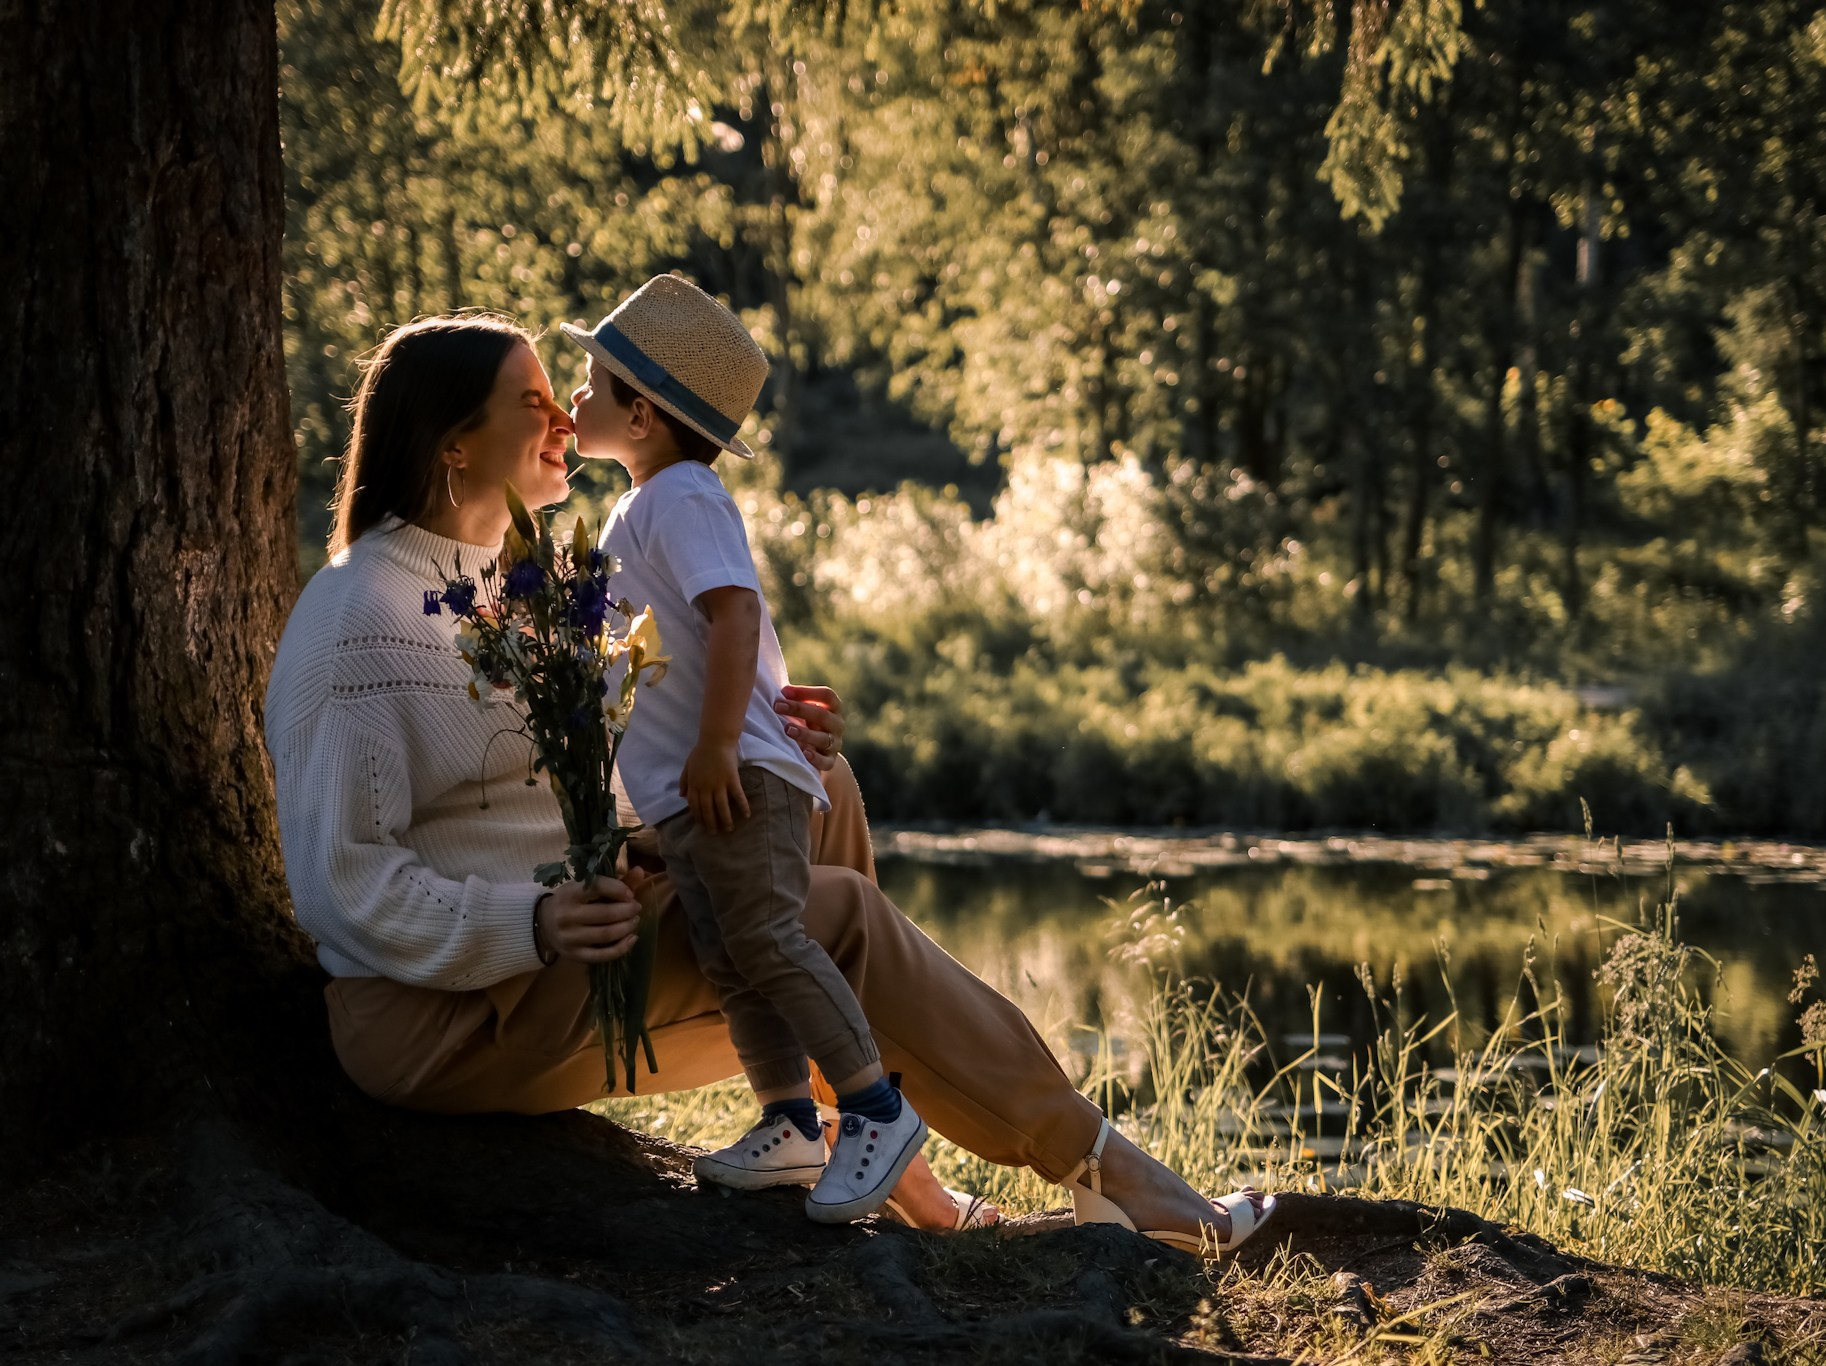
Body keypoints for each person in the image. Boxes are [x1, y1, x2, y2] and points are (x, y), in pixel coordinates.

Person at [264, 309, 1275, 1252]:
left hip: (562, 963)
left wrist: (764, 746)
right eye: (532, 401)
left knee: (807, 794)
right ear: (451, 442)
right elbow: (339, 881)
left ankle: (876, 1159)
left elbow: (571, 788)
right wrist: (529, 921)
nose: (565, 418)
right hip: (446, 1014)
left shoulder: (521, 585)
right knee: (828, 914)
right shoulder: (359, 618)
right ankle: (1108, 1170)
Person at [562, 274, 921, 1223]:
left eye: (588, 385)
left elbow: (733, 614)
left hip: (738, 778)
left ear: (639, 415)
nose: (573, 399)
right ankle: (789, 1121)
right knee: (729, 953)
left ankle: (876, 1110)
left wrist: (720, 744)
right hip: (693, 790)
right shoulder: (641, 504)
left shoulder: (683, 495)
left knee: (767, 934)